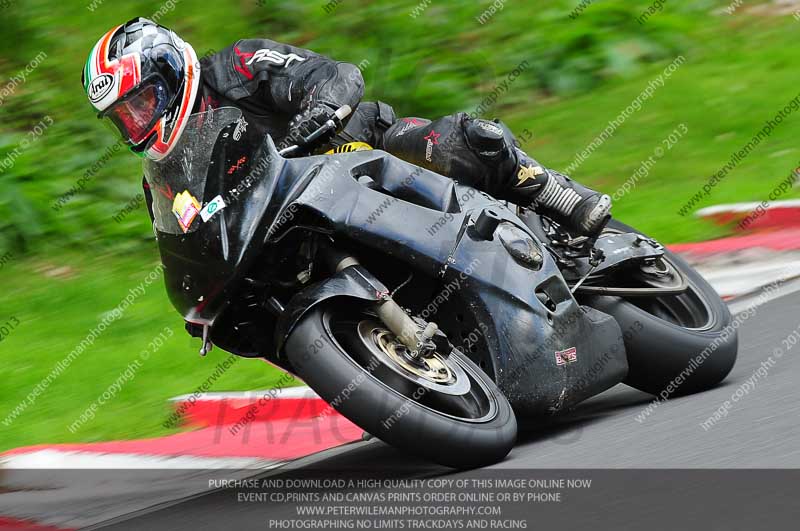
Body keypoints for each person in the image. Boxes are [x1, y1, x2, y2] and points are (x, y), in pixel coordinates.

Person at [82, 17, 611, 237]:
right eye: (123, 118)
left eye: (142, 102)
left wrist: (312, 118)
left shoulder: (238, 66)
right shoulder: (166, 175)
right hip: (304, 226)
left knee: (451, 143)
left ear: (171, 73)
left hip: (361, 149)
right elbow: (188, 242)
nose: (138, 121)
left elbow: (334, 75)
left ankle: (556, 194)